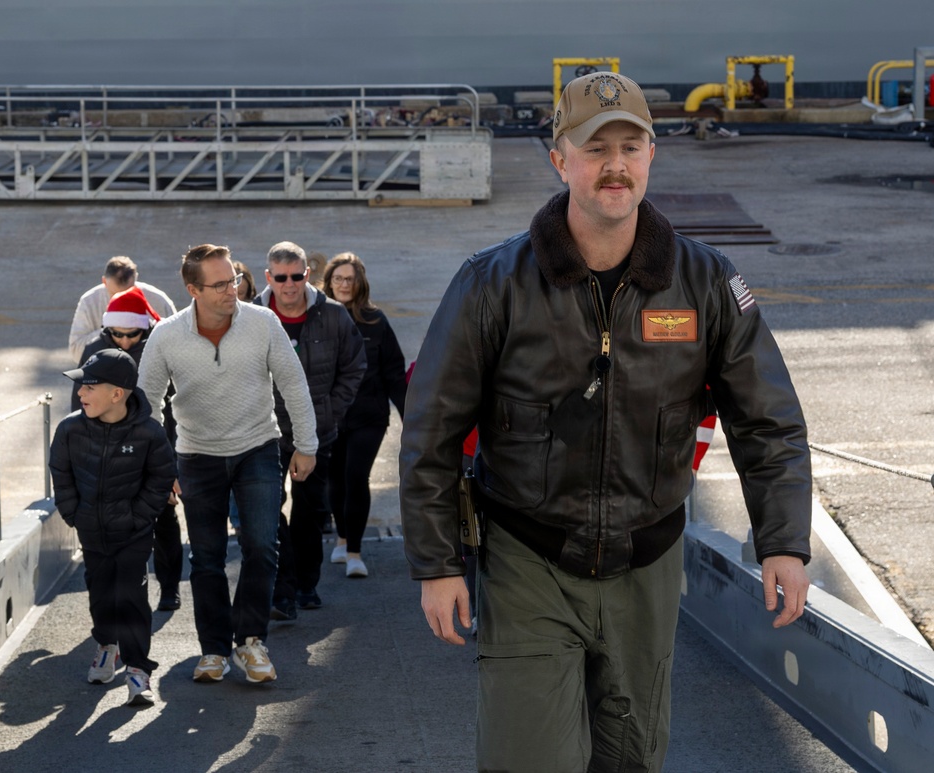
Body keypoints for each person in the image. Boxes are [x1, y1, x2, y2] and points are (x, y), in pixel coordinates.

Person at [399, 71, 812, 773]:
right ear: (560, 161)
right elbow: (430, 431)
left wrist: (784, 541)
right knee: (528, 758)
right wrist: (436, 564)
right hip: (530, 558)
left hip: (646, 567)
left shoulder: (707, 282)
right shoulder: (491, 283)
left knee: (630, 759)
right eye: (595, 149)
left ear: (652, 155)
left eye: (630, 145)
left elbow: (768, 419)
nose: (614, 165)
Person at [138, 244, 318, 684]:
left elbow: (294, 384)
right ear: (192, 289)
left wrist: (306, 444)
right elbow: (145, 406)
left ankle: (251, 641)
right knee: (207, 557)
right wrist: (156, 470)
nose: (231, 291)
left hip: (257, 447)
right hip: (196, 456)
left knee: (262, 545)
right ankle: (214, 650)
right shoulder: (166, 336)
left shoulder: (263, 323)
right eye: (219, 285)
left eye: (233, 281)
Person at [49, 349, 176, 707]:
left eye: (89, 387)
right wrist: (74, 513)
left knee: (131, 598)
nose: (81, 394)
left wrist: (140, 517)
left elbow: (162, 476)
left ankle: (138, 670)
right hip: (91, 531)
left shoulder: (149, 432)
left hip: (134, 534)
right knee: (101, 592)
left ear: (117, 394)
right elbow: (61, 473)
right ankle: (107, 647)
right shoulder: (70, 429)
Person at [253, 241, 366, 616]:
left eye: (297, 276)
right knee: (268, 510)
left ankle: (306, 584)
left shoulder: (333, 316)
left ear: (307, 275)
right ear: (269, 278)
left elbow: (354, 366)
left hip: (316, 433)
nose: (289, 285)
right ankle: (281, 589)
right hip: (263, 432)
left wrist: (329, 414)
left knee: (309, 512)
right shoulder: (249, 316)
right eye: (281, 277)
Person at [73, 286, 185, 613]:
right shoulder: (95, 351)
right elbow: (80, 405)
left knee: (163, 521)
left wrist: (171, 464)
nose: (123, 340)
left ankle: (169, 587)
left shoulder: (162, 348)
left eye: (131, 334)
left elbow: (178, 409)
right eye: (116, 334)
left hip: (154, 450)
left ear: (145, 327)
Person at [322, 253, 407, 578]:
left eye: (350, 279)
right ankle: (342, 538)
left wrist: (409, 417)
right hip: (330, 417)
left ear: (360, 284)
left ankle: (354, 551)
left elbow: (394, 373)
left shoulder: (375, 321)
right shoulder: (317, 319)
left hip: (369, 415)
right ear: (329, 282)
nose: (344, 284)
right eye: (339, 278)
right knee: (336, 481)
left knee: (356, 478)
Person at [69, 255, 177, 363]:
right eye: (114, 294)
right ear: (104, 282)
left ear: (136, 278)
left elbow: (176, 344)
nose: (122, 301)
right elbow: (76, 350)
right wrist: (109, 335)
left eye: (128, 293)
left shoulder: (158, 300)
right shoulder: (89, 301)